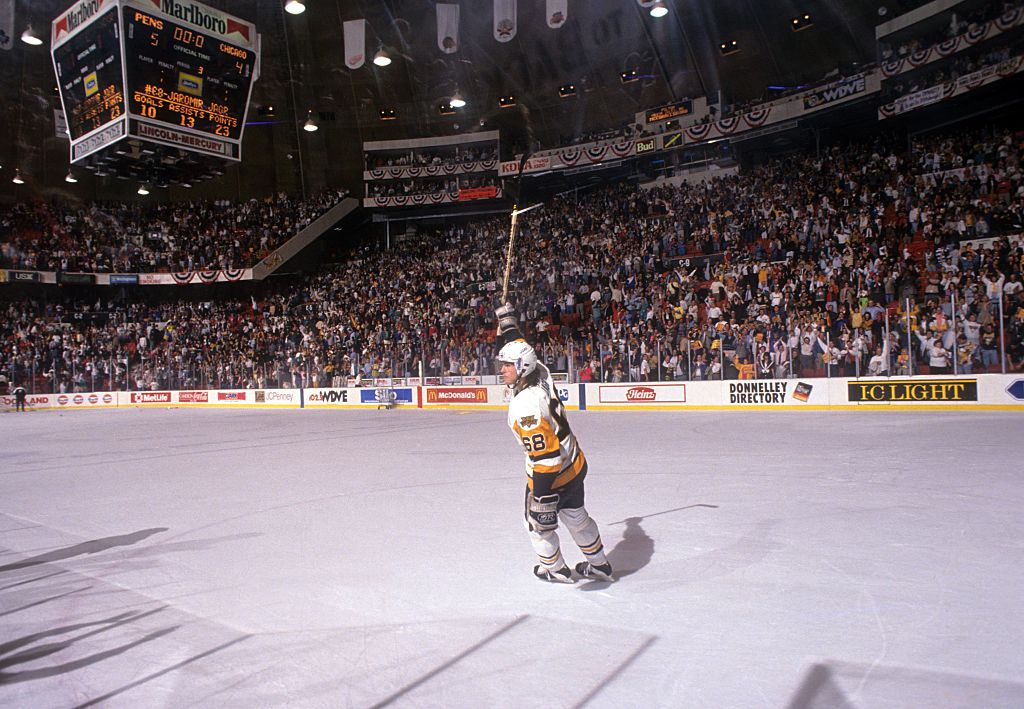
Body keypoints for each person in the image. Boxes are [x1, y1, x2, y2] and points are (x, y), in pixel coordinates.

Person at [494, 302, 613, 584]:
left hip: (552, 474)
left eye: (507, 365)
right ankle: (600, 565)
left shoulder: (524, 406)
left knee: (536, 525)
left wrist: (541, 496)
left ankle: (556, 569)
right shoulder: (543, 375)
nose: (502, 370)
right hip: (574, 463)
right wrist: (508, 321)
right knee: (577, 517)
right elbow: (521, 346)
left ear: (522, 367)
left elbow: (546, 458)